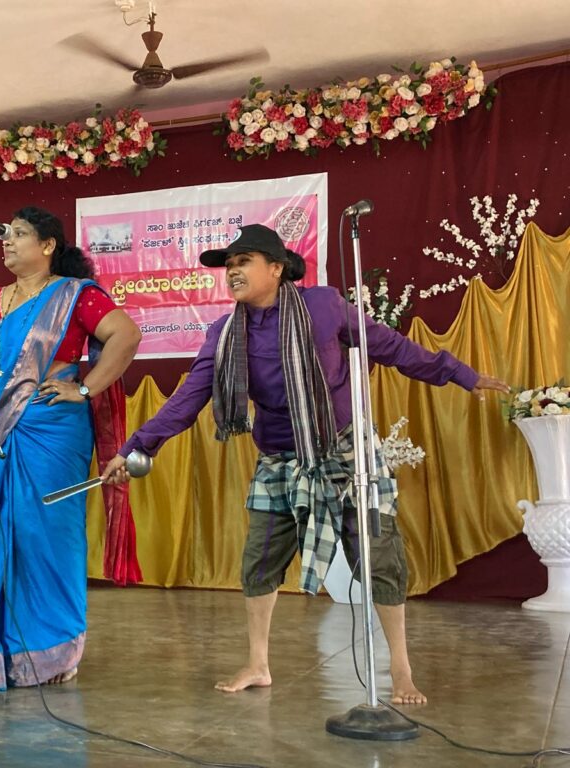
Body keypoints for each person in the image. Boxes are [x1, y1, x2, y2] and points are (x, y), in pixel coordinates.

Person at [101, 223, 508, 705]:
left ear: (276, 268)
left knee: (379, 558)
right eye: (228, 265)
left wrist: (459, 374)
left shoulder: (323, 306)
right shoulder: (224, 333)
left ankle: (401, 669)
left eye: (243, 261)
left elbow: (391, 347)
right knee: (259, 560)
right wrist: (136, 447)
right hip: (280, 459)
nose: (232, 271)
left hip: (345, 451)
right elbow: (188, 399)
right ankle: (258, 663)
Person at [0, 206, 142, 690]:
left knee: (47, 536)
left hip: (52, 430)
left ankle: (53, 652)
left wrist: (86, 388)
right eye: (6, 235)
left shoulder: (75, 295)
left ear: (48, 245)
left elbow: (126, 335)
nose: (7, 242)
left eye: (20, 234)